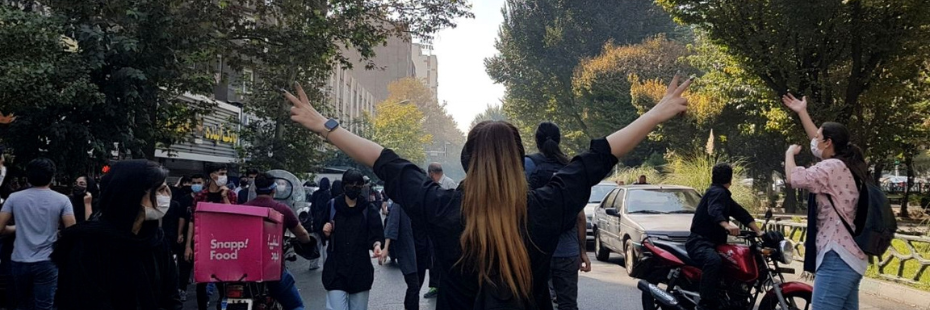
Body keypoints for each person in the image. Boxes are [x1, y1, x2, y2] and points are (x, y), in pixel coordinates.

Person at [284, 75, 691, 309]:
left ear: (468, 161)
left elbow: (384, 160)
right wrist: (656, 112)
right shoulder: (546, 207)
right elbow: (597, 157)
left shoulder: (441, 206)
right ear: (519, 161)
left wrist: (326, 125)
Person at [53, 160, 181, 310]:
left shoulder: (156, 240)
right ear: (132, 194)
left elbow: (171, 296)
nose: (166, 196)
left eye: (167, 189)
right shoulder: (89, 243)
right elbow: (84, 299)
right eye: (160, 190)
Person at [783, 94, 868, 310]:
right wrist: (802, 111)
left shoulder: (831, 168)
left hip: (836, 256)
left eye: (819, 136)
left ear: (829, 142)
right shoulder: (849, 163)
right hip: (852, 257)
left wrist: (789, 154)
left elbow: (794, 178)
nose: (814, 141)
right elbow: (819, 145)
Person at [524, 122, 591, 310]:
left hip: (534, 249)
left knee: (534, 302)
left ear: (536, 141)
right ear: (559, 140)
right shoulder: (572, 167)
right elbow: (580, 217)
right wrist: (583, 251)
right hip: (567, 251)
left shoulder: (528, 165)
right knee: (568, 304)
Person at [0, 158, 76, 310]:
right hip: (47, 260)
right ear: (52, 176)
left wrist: (16, 228)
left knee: (22, 304)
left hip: (19, 259)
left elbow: (0, 228)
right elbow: (71, 231)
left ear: (28, 177)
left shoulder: (14, 198)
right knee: (44, 305)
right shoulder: (62, 200)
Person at [686, 163, 763, 310]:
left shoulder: (722, 194)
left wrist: (758, 231)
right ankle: (706, 302)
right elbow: (714, 211)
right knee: (713, 261)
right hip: (699, 242)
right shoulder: (717, 193)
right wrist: (727, 225)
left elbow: (741, 213)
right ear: (731, 180)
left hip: (713, 243)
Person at [244, 173, 317, 310]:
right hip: (273, 268)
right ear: (273, 190)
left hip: (244, 269)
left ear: (255, 189)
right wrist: (307, 242)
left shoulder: (244, 209)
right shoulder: (282, 209)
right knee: (296, 305)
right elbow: (301, 233)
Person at [320, 169, 384, 310]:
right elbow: (320, 228)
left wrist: (377, 245)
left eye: (358, 186)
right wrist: (325, 229)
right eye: (351, 185)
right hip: (336, 269)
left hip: (360, 270)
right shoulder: (332, 206)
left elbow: (376, 235)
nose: (354, 189)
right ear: (344, 186)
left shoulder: (368, 209)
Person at [187, 165, 237, 310]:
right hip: (203, 243)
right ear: (212, 175)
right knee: (201, 281)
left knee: (223, 282)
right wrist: (188, 246)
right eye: (221, 173)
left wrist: (225, 197)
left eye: (225, 174)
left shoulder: (231, 194)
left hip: (224, 244)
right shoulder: (201, 196)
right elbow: (193, 220)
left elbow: (234, 217)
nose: (224, 176)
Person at [423, 162, 456, 299]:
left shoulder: (449, 184)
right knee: (433, 258)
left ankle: (445, 285)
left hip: (447, 228)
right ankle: (434, 285)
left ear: (431, 173)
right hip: (433, 227)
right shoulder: (431, 186)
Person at [380, 196, 420, 310]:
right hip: (408, 249)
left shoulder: (421, 200)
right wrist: (386, 247)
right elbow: (392, 225)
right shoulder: (399, 203)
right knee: (414, 285)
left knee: (416, 285)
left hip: (422, 250)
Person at [309, 177, 333, 270]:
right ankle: (326, 264)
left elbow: (312, 208)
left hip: (316, 221)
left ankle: (313, 263)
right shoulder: (329, 194)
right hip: (325, 221)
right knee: (325, 244)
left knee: (316, 242)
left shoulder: (315, 194)